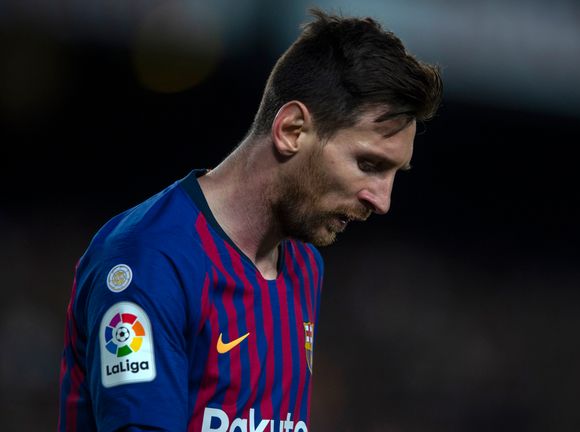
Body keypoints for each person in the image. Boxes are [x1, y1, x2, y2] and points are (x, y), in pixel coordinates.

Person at [57, 8, 442, 432]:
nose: (382, 200)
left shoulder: (302, 264)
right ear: (292, 129)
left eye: (393, 174)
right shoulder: (150, 259)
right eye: (368, 163)